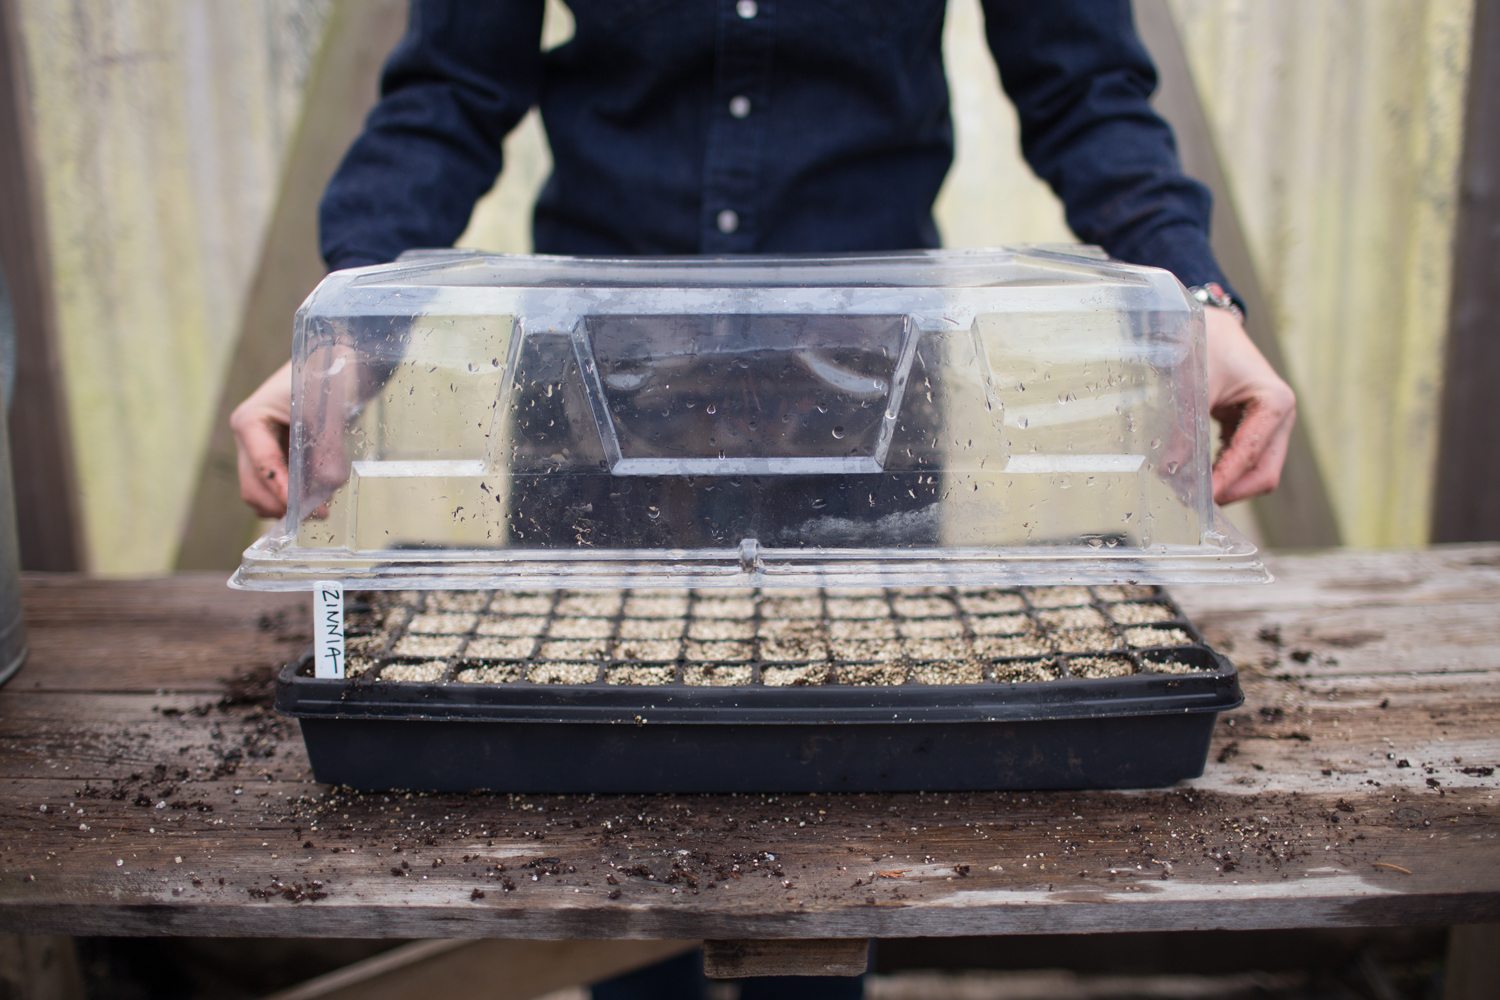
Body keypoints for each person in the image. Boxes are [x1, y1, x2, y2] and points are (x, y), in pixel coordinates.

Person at [229, 2, 1293, 995]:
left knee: (842, 809)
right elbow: (449, 88)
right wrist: (347, 323)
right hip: (596, 395)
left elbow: (1086, 82)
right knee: (604, 820)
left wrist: (1194, 299)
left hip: (861, 392)